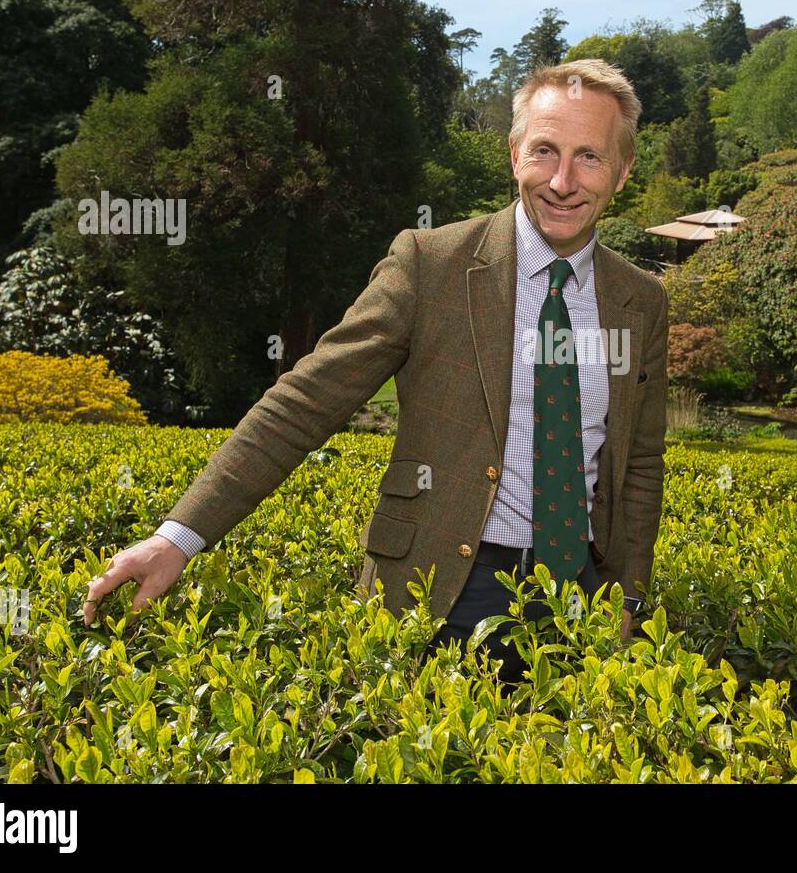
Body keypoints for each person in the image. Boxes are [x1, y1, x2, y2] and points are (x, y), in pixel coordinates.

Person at [83, 58, 669, 686]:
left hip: (577, 601)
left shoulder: (640, 301)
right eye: (545, 150)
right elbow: (302, 405)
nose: (561, 180)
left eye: (589, 157)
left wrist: (626, 599)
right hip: (436, 589)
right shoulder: (429, 265)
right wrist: (178, 537)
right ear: (513, 153)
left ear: (624, 171)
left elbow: (637, 462)